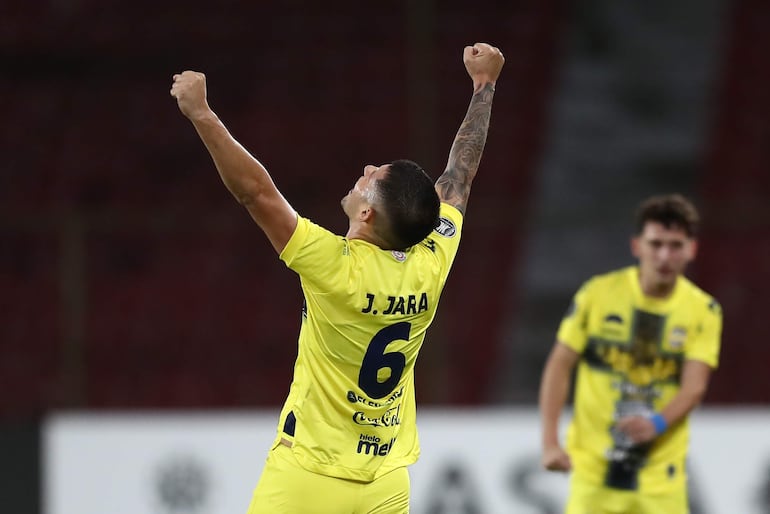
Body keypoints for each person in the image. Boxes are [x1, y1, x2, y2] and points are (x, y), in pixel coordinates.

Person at [171, 43, 504, 513]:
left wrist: (201, 113)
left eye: (372, 177)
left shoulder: (332, 265)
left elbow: (256, 194)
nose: (366, 169)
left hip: (309, 473)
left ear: (366, 212)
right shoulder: (433, 259)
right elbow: (460, 176)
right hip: (386, 481)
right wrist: (485, 86)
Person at [538, 194, 723, 514]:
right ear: (637, 246)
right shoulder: (597, 295)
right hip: (592, 477)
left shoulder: (703, 311)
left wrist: (658, 423)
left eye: (676, 245)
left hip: (660, 482)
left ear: (692, 249)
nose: (665, 255)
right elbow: (559, 364)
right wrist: (550, 442)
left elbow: (695, 386)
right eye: (656, 244)